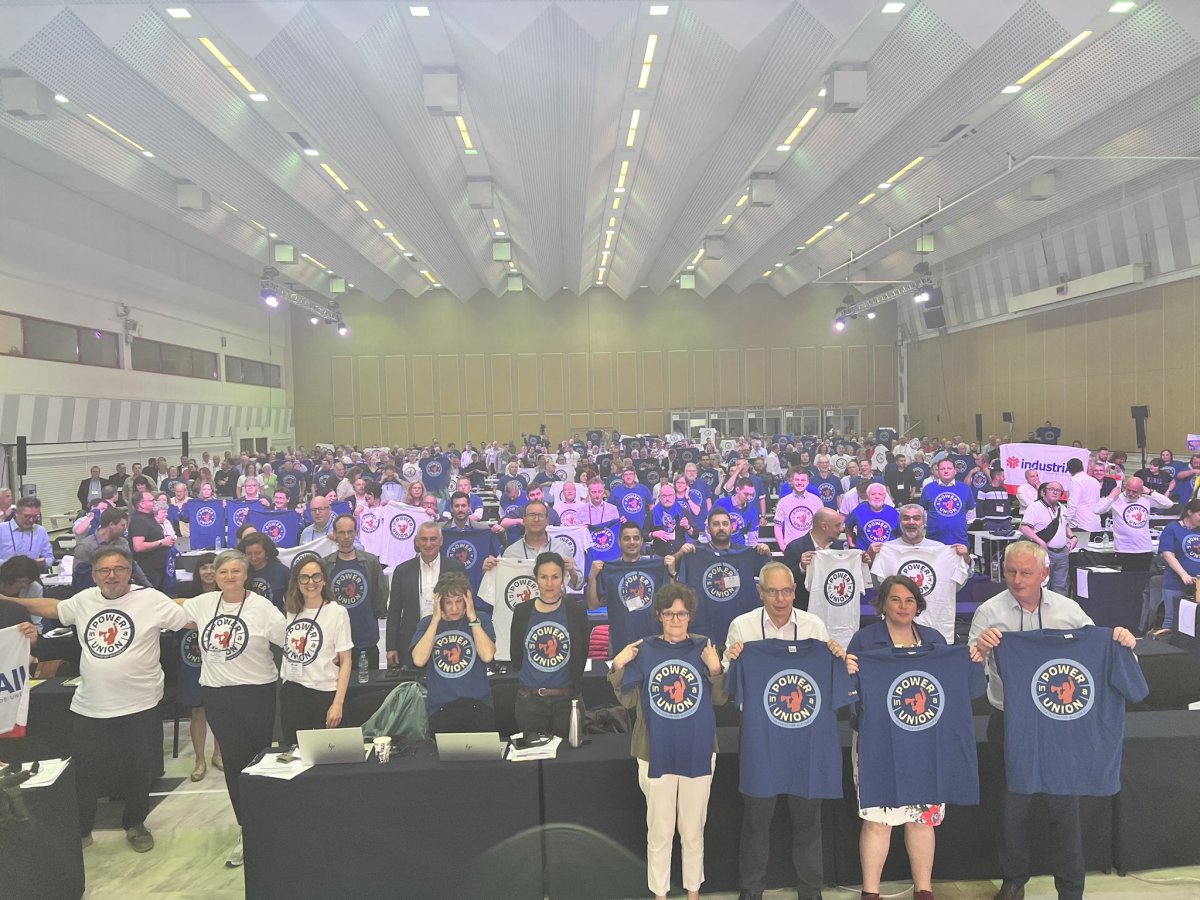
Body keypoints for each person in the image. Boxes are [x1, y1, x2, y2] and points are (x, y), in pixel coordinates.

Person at [969, 542, 1136, 900]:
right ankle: (1014, 880)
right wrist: (979, 650)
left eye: (1026, 573)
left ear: (1045, 574)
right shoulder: (989, 612)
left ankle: (1071, 889)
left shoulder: (1068, 610)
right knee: (1011, 809)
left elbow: (1101, 652)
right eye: (1011, 571)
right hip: (1010, 724)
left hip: (1062, 726)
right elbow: (970, 677)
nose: (1017, 580)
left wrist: (1121, 641)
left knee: (1064, 810)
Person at [4, 547, 186, 852]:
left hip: (140, 704)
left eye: (119, 569)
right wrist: (9, 600)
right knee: (85, 771)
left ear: (130, 572)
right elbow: (52, 608)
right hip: (91, 704)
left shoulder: (151, 599)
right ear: (94, 575)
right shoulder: (85, 599)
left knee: (138, 770)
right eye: (104, 570)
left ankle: (135, 824)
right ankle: (82, 828)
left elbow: (187, 614)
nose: (111, 576)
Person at [723, 562, 848, 900]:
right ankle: (751, 891)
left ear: (795, 591)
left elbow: (832, 681)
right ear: (760, 592)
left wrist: (837, 657)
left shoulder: (814, 626)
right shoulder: (742, 627)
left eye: (787, 591)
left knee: (808, 823)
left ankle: (811, 890)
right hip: (760, 741)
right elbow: (728, 686)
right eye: (772, 591)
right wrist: (731, 661)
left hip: (806, 742)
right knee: (755, 822)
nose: (780, 599)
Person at [609, 583, 726, 900]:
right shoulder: (644, 649)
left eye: (682, 613)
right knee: (660, 832)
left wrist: (716, 668)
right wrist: (618, 664)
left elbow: (719, 699)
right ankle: (660, 894)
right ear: (659, 615)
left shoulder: (704, 647)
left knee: (693, 831)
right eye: (669, 613)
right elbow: (628, 700)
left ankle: (693, 893)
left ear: (691, 615)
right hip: (654, 752)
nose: (676, 619)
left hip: (697, 751)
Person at [848, 574, 956, 900]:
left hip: (925, 743)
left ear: (918, 604)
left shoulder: (933, 640)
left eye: (910, 600)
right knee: (877, 821)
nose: (903, 606)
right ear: (883, 604)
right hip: (877, 742)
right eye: (895, 599)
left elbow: (948, 689)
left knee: (922, 819)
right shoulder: (864, 641)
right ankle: (871, 893)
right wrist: (848, 673)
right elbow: (850, 694)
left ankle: (923, 890)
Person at [181, 549, 285, 868]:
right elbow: (164, 610)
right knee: (234, 764)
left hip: (257, 694)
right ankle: (246, 829)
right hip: (218, 697)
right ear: (214, 575)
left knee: (259, 761)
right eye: (223, 572)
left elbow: (290, 639)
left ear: (246, 575)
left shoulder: (262, 607)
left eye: (235, 571)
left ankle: (268, 826)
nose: (229, 577)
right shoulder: (202, 604)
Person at [509, 552, 589, 737]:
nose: (549, 583)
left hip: (567, 701)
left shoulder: (576, 611)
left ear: (563, 578)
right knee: (532, 755)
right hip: (530, 702)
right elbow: (516, 655)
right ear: (536, 578)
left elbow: (582, 651)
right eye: (544, 577)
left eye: (555, 577)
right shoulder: (522, 611)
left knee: (568, 754)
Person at [410, 570, 497, 734]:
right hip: (441, 708)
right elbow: (419, 660)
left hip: (478, 704)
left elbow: (487, 656)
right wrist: (435, 621)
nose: (455, 608)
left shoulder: (481, 619)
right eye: (448, 602)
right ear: (439, 602)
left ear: (468, 600)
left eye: (459, 601)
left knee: (483, 750)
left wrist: (473, 619)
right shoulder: (427, 623)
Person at [279, 556, 353, 744]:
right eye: (304, 577)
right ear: (297, 582)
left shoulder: (337, 612)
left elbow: (346, 661)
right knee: (294, 751)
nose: (310, 582)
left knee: (327, 752)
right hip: (293, 691)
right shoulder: (291, 610)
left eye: (316, 576)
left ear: (324, 580)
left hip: (324, 691)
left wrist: (338, 703)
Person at [386, 522, 467, 668]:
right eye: (424, 539)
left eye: (433, 539)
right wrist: (391, 646)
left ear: (441, 541)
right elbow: (394, 611)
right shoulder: (402, 571)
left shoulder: (456, 567)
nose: (428, 544)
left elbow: (465, 604)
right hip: (412, 640)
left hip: (448, 637)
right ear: (417, 542)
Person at [177, 553, 222, 782]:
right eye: (204, 567)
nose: (208, 571)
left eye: (213, 567)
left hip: (219, 657)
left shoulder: (227, 595)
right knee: (198, 710)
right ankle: (199, 760)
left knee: (219, 709)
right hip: (193, 658)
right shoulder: (186, 593)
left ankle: (218, 754)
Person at [324, 514, 388, 669]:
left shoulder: (371, 561)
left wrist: (372, 615)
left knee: (369, 681)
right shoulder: (326, 564)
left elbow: (381, 594)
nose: (346, 537)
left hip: (366, 636)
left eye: (350, 532)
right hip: (336, 640)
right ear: (335, 534)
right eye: (341, 532)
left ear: (356, 532)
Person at [1147, 499, 1200, 636]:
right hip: (1175, 583)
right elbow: (1168, 554)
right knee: (1172, 619)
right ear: (1190, 512)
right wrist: (1183, 574)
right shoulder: (1172, 529)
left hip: (1198, 584)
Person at [1096, 475, 1172, 571]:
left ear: (1141, 490)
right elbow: (1097, 510)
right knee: (1125, 578)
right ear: (1125, 487)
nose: (1131, 493)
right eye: (1128, 490)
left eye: (1135, 491)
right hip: (1124, 549)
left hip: (1144, 548)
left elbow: (1169, 504)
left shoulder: (1145, 499)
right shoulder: (1117, 499)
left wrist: (1150, 492)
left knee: (1142, 579)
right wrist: (1111, 496)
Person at [1018, 482, 1077, 593]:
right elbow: (1024, 527)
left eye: (1058, 490)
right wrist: (1040, 541)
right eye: (1051, 489)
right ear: (1045, 491)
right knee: (1042, 585)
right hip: (1043, 552)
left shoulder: (1062, 508)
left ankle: (1059, 605)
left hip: (1062, 553)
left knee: (1061, 586)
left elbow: (1065, 525)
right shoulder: (1035, 507)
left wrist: (1073, 537)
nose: (1055, 492)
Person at [72, 507, 152, 588]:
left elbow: (133, 567)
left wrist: (149, 587)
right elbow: (79, 578)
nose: (125, 528)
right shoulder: (85, 547)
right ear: (111, 525)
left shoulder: (122, 543)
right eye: (122, 525)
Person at [128, 490, 174, 590]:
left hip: (159, 568)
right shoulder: (139, 520)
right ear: (142, 504)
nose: (155, 502)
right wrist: (161, 542)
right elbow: (138, 546)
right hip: (149, 570)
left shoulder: (149, 517)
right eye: (152, 500)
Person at [239, 532, 291, 612]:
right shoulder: (240, 571)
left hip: (275, 617)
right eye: (249, 554)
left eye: (258, 553)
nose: (253, 557)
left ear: (267, 552)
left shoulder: (282, 571)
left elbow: (293, 600)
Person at [0, 496, 53, 567]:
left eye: (35, 516)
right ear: (16, 513)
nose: (31, 520)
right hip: (5, 573)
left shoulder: (41, 531)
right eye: (27, 516)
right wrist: (12, 565)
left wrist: (45, 562)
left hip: (33, 572)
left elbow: (49, 557)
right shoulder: (2, 530)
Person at [1065, 457, 1102, 539]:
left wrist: (1064, 522)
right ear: (1082, 467)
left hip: (1080, 525)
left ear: (1069, 470)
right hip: (1096, 523)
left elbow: (1072, 504)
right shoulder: (1095, 481)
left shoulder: (1075, 481)